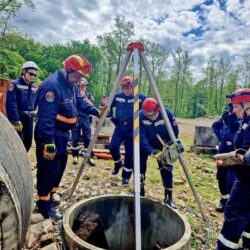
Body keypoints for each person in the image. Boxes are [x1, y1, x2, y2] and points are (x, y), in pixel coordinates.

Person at [35, 54, 104, 220]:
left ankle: (52, 195)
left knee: (60, 166)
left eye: (81, 77)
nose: (79, 79)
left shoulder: (70, 84)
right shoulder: (52, 86)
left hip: (63, 134)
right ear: (68, 69)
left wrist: (96, 111)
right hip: (51, 134)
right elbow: (46, 118)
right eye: (77, 75)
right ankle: (44, 206)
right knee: (48, 169)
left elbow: (80, 101)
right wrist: (48, 143)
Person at [216, 89, 250, 250]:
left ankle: (225, 247)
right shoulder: (246, 122)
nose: (234, 110)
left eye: (237, 106)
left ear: (247, 105)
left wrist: (238, 158)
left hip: (246, 181)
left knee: (234, 214)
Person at [139, 98, 179, 208]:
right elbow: (141, 137)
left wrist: (170, 147)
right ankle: (140, 192)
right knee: (139, 166)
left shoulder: (167, 114)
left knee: (167, 169)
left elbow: (174, 131)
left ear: (158, 110)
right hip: (145, 145)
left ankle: (168, 196)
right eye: (148, 115)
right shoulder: (140, 116)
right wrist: (151, 151)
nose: (151, 118)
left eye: (153, 115)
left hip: (164, 145)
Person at [109, 76, 146, 185]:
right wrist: (112, 118)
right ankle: (117, 163)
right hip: (120, 127)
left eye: (128, 87)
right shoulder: (117, 97)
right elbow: (108, 107)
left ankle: (126, 176)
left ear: (132, 87)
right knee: (113, 147)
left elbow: (147, 109)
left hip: (132, 128)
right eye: (124, 87)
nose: (126, 89)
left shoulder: (140, 98)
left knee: (130, 153)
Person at [212, 104, 239, 212]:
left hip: (235, 151)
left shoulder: (242, 119)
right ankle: (224, 200)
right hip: (223, 149)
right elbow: (215, 125)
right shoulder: (225, 117)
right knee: (221, 177)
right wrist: (221, 137)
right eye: (232, 107)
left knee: (231, 179)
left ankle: (231, 204)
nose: (232, 110)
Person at [6, 61, 38, 152]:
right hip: (19, 119)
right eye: (31, 74)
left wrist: (34, 112)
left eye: (35, 75)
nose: (33, 77)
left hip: (29, 120)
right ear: (24, 72)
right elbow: (11, 104)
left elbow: (35, 102)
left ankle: (22, 164)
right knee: (17, 144)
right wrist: (15, 120)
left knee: (28, 143)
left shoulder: (34, 86)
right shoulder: (14, 85)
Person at [72, 77, 96, 166]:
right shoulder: (74, 95)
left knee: (87, 139)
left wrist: (85, 97)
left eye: (84, 86)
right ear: (78, 86)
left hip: (86, 119)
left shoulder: (89, 95)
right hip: (76, 118)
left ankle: (89, 157)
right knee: (75, 138)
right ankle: (75, 156)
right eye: (80, 86)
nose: (82, 87)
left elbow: (92, 104)